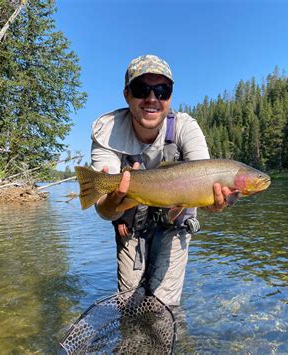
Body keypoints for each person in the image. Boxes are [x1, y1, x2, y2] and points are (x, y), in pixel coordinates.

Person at [90, 54, 233, 306]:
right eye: (141, 89)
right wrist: (115, 204)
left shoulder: (185, 128)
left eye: (162, 90)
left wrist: (214, 202)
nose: (152, 98)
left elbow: (206, 179)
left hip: (175, 224)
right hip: (129, 223)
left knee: (162, 305)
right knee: (128, 302)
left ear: (170, 96)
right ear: (126, 94)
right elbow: (104, 208)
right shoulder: (107, 131)